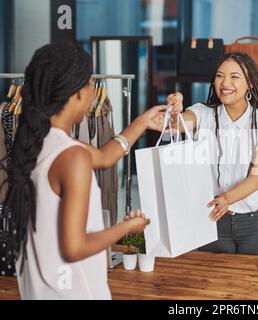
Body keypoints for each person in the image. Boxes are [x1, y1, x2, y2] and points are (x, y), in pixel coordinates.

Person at [2, 41, 168, 300]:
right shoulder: (73, 156)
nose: (93, 92)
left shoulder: (37, 141)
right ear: (76, 93)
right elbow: (74, 247)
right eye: (90, 84)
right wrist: (126, 228)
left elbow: (103, 157)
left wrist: (142, 122)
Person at [167, 52, 258, 256]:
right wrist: (175, 109)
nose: (225, 82)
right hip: (214, 220)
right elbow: (176, 125)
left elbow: (256, 179)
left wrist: (226, 199)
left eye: (234, 77)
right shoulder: (202, 113)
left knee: (255, 286)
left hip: (254, 224)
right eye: (220, 76)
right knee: (212, 286)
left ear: (250, 83)